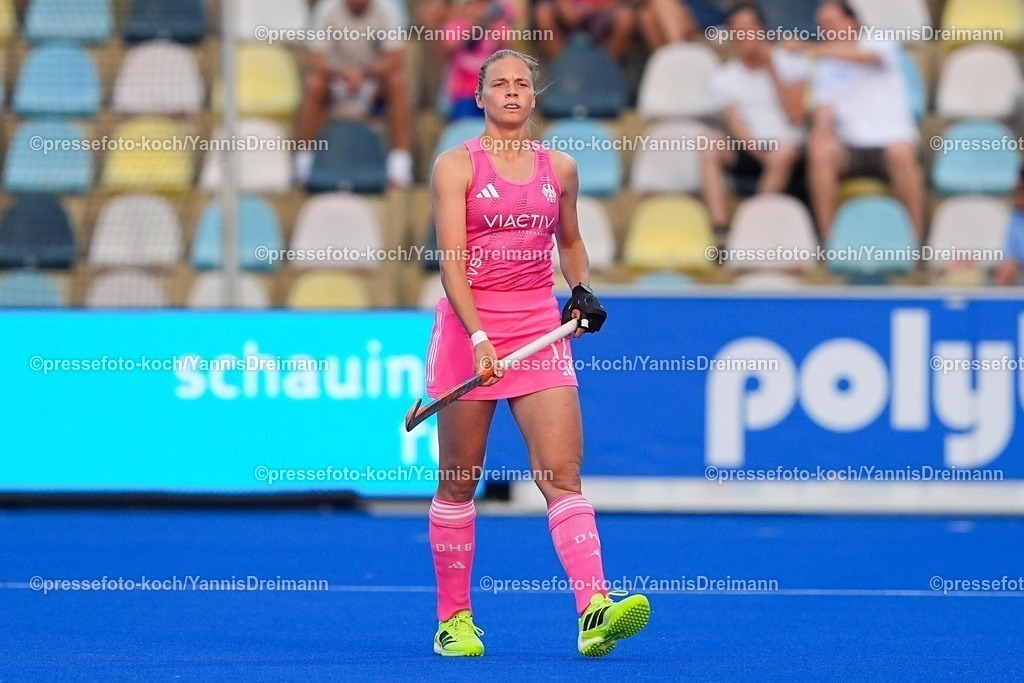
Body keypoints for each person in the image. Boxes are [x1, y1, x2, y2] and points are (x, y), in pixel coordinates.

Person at [425, 48, 650, 657]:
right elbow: (451, 265)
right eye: (499, 83)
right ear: (480, 97)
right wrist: (478, 338)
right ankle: (453, 620)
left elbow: (570, 242)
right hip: (469, 330)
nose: (511, 91)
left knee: (561, 474)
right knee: (459, 481)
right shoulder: (455, 166)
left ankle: (594, 610)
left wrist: (579, 289)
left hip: (536, 330)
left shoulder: (561, 169)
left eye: (522, 83)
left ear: (533, 95)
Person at [793, 0, 925, 239]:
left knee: (902, 153)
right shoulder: (825, 66)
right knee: (820, 150)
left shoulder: (879, 41)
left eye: (830, 22)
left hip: (890, 142)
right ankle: (829, 240)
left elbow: (870, 57)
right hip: (850, 147)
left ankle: (914, 241)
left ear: (851, 21)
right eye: (822, 24)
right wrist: (821, 128)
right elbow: (824, 108)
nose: (826, 29)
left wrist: (810, 49)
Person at [701, 2, 809, 237]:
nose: (744, 35)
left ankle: (749, 227)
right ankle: (719, 227)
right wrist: (763, 155)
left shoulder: (791, 62)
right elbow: (736, 125)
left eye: (749, 29)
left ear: (762, 30)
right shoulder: (724, 77)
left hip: (788, 148)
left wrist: (772, 68)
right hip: (753, 148)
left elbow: (795, 115)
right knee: (709, 143)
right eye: (738, 30)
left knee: (783, 153)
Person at [295, 0, 413, 187]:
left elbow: (394, 58)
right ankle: (303, 165)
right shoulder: (326, 9)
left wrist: (363, 74)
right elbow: (316, 59)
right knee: (314, 84)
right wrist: (343, 74)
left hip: (372, 84)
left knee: (397, 82)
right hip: (335, 82)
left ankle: (400, 166)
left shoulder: (388, 10)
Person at [532, 0, 635, 60]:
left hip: (602, 11)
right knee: (543, 14)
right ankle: (561, 67)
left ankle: (604, 68)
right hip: (566, 12)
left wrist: (586, 8)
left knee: (625, 19)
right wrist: (564, 5)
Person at [994, 169, 1024, 286]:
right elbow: (1010, 257)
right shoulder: (1015, 217)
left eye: (1021, 190)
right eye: (1016, 190)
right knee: (1007, 270)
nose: (1016, 195)